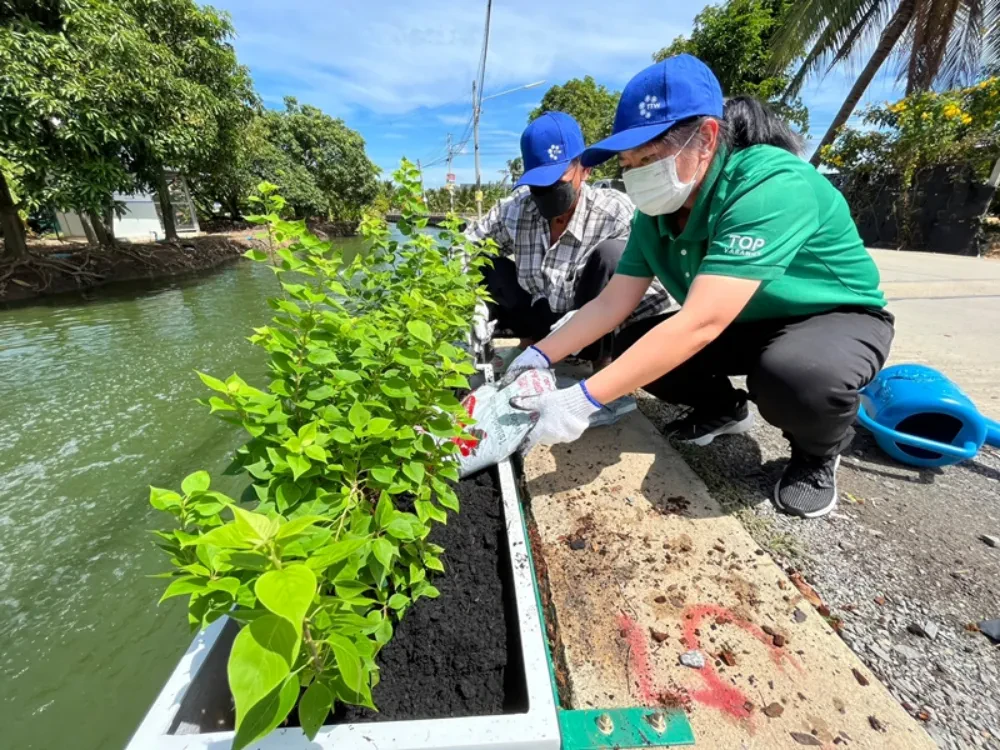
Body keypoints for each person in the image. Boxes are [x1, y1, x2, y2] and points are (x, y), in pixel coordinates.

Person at [505, 55, 894, 519]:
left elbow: (701, 322)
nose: (637, 174)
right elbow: (612, 303)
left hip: (831, 319)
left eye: (648, 158)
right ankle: (724, 409)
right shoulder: (656, 212)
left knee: (795, 376)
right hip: (742, 321)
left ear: (706, 137)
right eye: (628, 163)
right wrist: (539, 355)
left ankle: (817, 455)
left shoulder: (769, 183)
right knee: (635, 344)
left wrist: (581, 400)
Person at [466, 111, 672, 368]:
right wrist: (475, 304)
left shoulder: (615, 213)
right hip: (537, 316)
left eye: (557, 180)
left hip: (592, 325)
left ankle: (601, 361)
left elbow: (656, 291)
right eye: (538, 183)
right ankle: (531, 344)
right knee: (488, 265)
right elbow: (464, 248)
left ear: (585, 169)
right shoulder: (517, 209)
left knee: (612, 255)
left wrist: (597, 321)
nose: (546, 191)